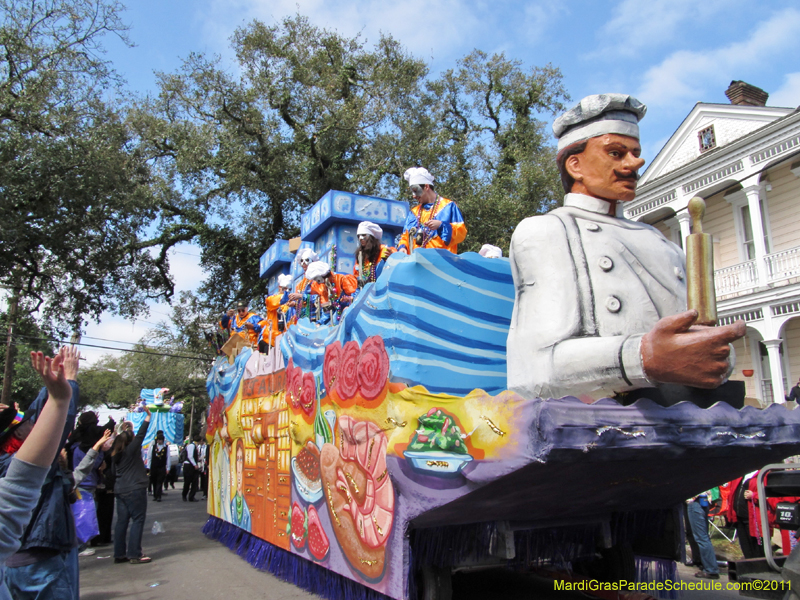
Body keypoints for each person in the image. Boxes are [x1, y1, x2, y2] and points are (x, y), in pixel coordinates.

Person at [507, 93, 746, 401]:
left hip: (685, 418)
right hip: (602, 426)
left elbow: (699, 347)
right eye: (617, 153)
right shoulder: (548, 231)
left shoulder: (663, 243)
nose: (636, 163)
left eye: (635, 153)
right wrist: (642, 357)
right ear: (575, 165)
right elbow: (533, 369)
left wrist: (716, 353)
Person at [2, 346, 82, 600]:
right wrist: (68, 384)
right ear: (15, 435)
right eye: (23, 424)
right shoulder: (14, 469)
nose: (31, 424)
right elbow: (53, 429)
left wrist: (53, 386)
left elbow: (38, 416)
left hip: (16, 565)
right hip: (40, 565)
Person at [112, 405, 152, 564]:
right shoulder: (131, 450)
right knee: (137, 520)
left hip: (120, 489)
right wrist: (148, 417)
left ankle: (119, 553)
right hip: (135, 488)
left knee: (122, 522)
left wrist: (123, 429)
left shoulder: (116, 454)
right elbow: (141, 434)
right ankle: (135, 553)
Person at [397, 167, 467, 254]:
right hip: (418, 263)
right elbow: (405, 236)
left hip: (442, 263)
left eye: (416, 190)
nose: (414, 196)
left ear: (426, 186)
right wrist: (402, 247)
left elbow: (461, 233)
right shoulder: (414, 212)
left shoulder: (448, 206)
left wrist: (441, 226)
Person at [305, 261, 358, 325]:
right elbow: (327, 314)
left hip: (353, 319)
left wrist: (350, 299)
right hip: (338, 323)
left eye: (317, 280)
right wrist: (319, 323)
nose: (318, 283)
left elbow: (358, 297)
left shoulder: (343, 278)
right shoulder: (324, 288)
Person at [686, 492, 720, 579]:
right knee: (702, 536)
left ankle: (711, 569)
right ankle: (707, 565)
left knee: (701, 537)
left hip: (695, 502)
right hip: (702, 501)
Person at [354, 221, 395, 288]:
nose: (360, 238)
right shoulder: (360, 257)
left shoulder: (384, 250)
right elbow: (356, 277)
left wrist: (392, 257)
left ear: (372, 237)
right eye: (358, 236)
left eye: (364, 235)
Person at [288, 248, 324, 323]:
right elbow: (302, 304)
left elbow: (320, 298)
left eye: (307, 260)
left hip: (316, 318)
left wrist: (301, 296)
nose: (304, 263)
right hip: (303, 320)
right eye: (302, 261)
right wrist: (294, 303)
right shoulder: (300, 284)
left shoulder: (317, 279)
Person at [259, 274, 292, 352]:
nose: (286, 291)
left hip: (284, 342)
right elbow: (282, 299)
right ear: (279, 287)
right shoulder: (271, 299)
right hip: (270, 341)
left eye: (288, 289)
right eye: (284, 289)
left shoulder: (292, 302)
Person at [229, 439, 251, 531]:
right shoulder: (233, 502)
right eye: (237, 459)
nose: (239, 463)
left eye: (241, 459)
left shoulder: (246, 509)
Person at [146, 430, 171, 502]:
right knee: (154, 481)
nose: (159, 441)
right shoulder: (153, 447)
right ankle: (155, 495)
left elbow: (168, 458)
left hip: (162, 467)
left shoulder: (166, 448)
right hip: (154, 467)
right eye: (158, 440)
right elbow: (149, 457)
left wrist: (168, 467)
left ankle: (159, 496)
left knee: (160, 481)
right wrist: (148, 467)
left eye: (160, 440)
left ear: (163, 440)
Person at [182, 435, 200, 502]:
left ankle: (191, 496)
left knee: (195, 482)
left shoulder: (195, 446)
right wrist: (195, 464)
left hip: (192, 465)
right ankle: (184, 495)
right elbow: (190, 456)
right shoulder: (191, 446)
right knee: (187, 482)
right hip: (189, 465)